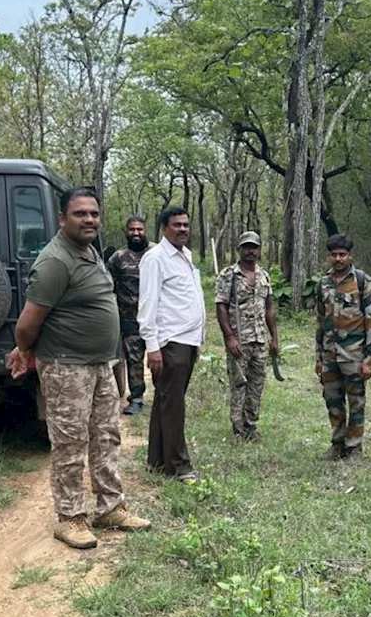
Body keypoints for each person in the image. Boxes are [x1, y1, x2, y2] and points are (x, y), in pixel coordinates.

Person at [7, 188, 150, 551]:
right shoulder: (55, 260)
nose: (89, 220)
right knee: (70, 442)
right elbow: (27, 323)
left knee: (106, 435)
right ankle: (70, 517)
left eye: (93, 214)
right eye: (79, 214)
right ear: (62, 219)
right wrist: (24, 350)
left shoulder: (90, 252)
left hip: (101, 364)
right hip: (67, 367)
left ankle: (110, 508)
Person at [138, 206, 205, 483]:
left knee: (166, 401)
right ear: (164, 227)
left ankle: (157, 460)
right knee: (173, 404)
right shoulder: (155, 259)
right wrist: (153, 346)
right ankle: (178, 466)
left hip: (188, 340)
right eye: (177, 225)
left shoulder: (185, 256)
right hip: (170, 342)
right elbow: (147, 305)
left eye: (186, 225)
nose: (183, 229)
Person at [314, 233, 371, 461]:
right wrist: (318, 357)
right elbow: (320, 321)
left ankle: (354, 448)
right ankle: (338, 444)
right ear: (329, 257)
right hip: (330, 354)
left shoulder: (363, 282)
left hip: (354, 354)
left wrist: (369, 358)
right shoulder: (323, 283)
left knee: (356, 402)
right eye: (334, 255)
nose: (338, 259)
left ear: (350, 256)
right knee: (333, 401)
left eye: (342, 254)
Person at [215, 231, 280, 441]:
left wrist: (274, 338)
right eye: (246, 247)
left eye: (254, 247)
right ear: (239, 250)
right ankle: (237, 429)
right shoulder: (229, 275)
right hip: (239, 341)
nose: (250, 251)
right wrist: (229, 337)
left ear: (259, 250)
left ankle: (251, 427)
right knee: (238, 384)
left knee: (256, 385)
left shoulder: (264, 276)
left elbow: (269, 308)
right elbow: (221, 307)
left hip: (260, 340)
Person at [108, 216, 150, 415]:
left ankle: (164, 397)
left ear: (145, 230)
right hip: (129, 318)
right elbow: (109, 287)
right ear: (126, 231)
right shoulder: (118, 258)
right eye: (132, 229)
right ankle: (137, 397)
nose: (136, 233)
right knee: (134, 359)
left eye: (139, 229)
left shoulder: (157, 253)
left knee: (163, 358)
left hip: (158, 318)